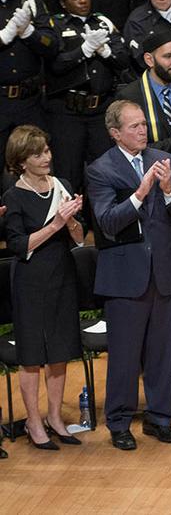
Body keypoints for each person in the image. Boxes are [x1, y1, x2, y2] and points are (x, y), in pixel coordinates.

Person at [86, 99, 171, 451]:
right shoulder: (101, 170)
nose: (143, 130)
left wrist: (168, 190)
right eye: (134, 126)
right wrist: (141, 193)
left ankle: (159, 417)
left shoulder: (163, 160)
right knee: (125, 355)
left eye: (144, 123)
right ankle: (118, 420)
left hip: (162, 269)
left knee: (163, 352)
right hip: (125, 276)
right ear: (115, 133)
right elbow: (107, 222)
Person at [3, 126, 85, 450]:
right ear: (22, 161)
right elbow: (19, 245)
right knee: (33, 355)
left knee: (60, 352)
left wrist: (73, 221)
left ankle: (54, 417)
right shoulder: (13, 196)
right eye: (38, 154)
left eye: (47, 150)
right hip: (30, 281)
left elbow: (79, 238)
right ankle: (33, 421)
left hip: (62, 276)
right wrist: (54, 225)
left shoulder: (60, 185)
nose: (47, 157)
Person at [47, 0, 129, 194]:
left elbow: (123, 60)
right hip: (68, 112)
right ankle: (73, 225)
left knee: (105, 172)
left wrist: (105, 52)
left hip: (100, 109)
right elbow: (55, 64)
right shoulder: (55, 25)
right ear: (63, 2)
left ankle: (102, 225)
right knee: (68, 174)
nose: (82, 0)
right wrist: (83, 50)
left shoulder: (103, 22)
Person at [0, 0, 59, 173]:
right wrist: (5, 35)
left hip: (30, 102)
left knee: (41, 167)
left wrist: (28, 33)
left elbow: (53, 44)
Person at [117, 31, 171, 158]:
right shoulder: (129, 97)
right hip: (152, 170)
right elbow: (130, 150)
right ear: (149, 60)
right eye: (168, 56)